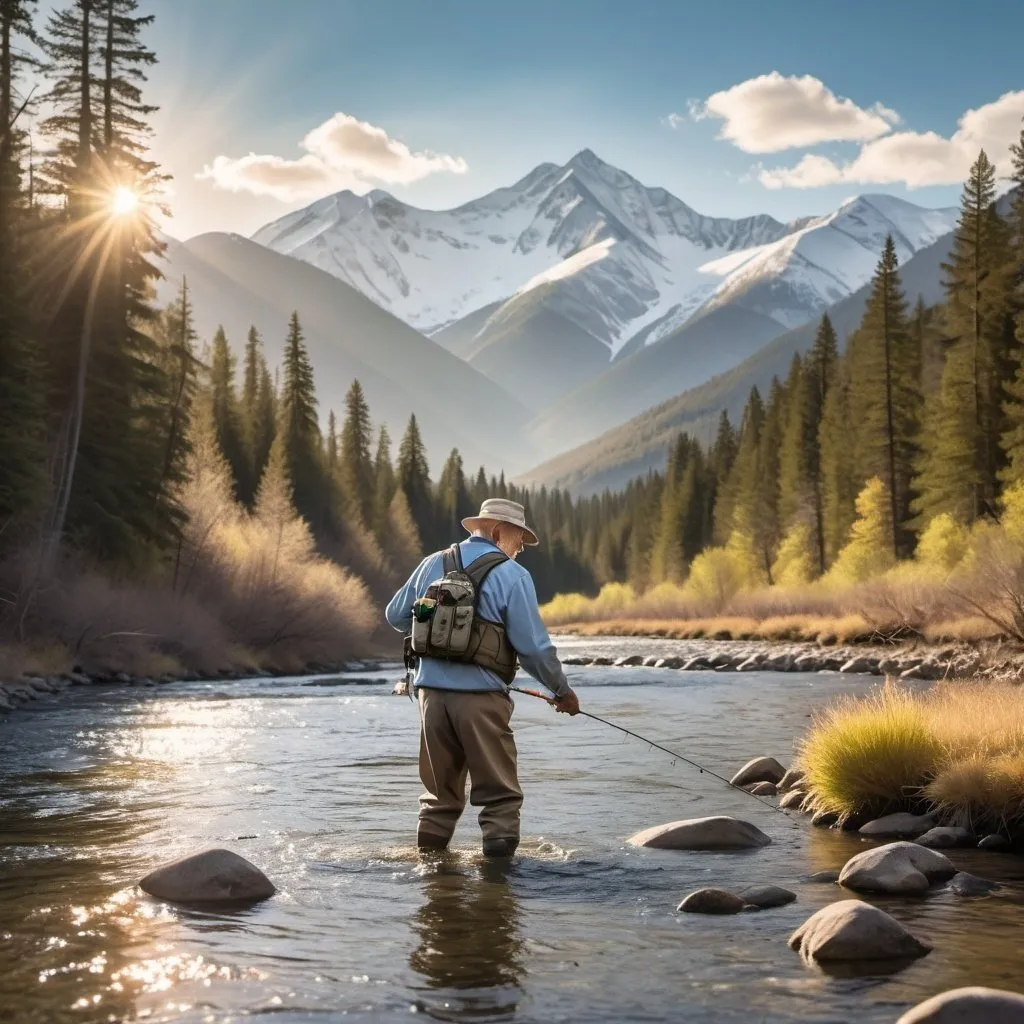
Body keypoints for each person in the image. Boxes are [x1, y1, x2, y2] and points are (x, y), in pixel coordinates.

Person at [385, 497, 580, 858]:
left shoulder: (431, 563)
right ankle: (498, 895)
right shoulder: (513, 575)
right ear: (496, 530)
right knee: (500, 800)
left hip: (430, 699)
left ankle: (433, 887)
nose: (521, 547)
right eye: (519, 538)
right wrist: (561, 691)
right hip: (481, 700)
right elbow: (534, 649)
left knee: (438, 799)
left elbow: (395, 615)